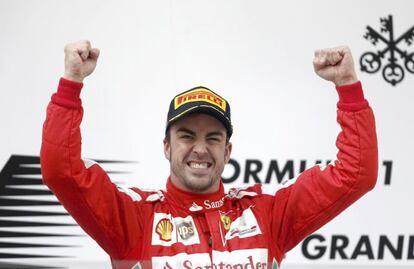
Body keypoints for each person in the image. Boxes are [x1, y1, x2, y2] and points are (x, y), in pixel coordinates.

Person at [41, 40, 378, 269]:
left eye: (213, 138)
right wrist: (71, 83)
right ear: (166, 146)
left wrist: (347, 86)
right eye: (186, 136)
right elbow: (61, 171)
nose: (200, 148)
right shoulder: (134, 219)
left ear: (228, 150)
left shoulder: (267, 211)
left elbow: (355, 174)